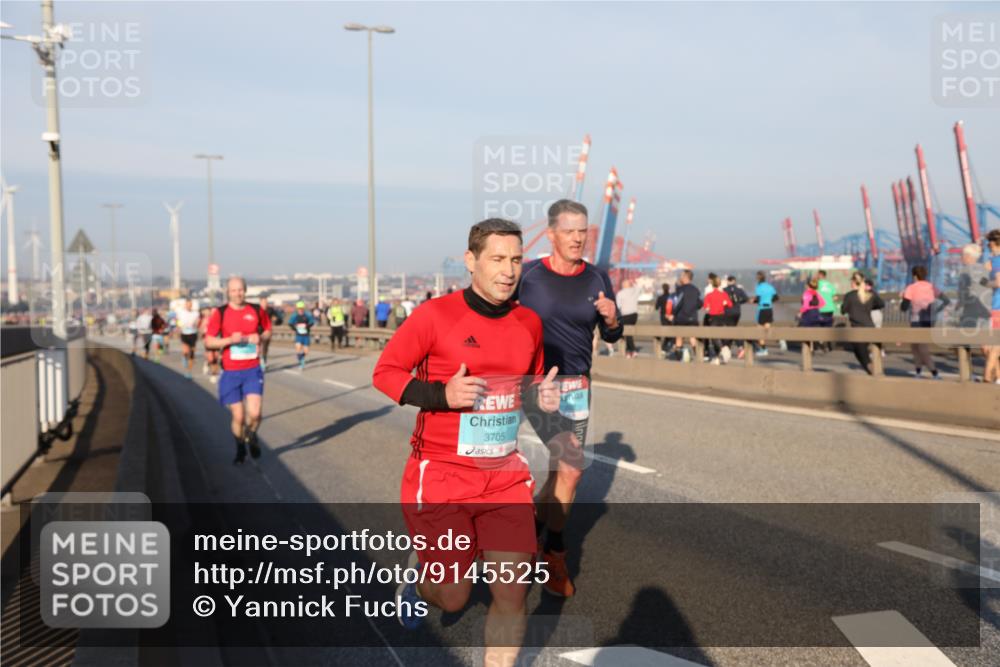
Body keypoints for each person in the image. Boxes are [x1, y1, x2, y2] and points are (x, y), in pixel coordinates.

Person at [372, 219, 560, 665]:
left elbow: (525, 386)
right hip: (440, 475)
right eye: (497, 258)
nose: (508, 270)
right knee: (454, 596)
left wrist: (542, 398)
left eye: (516, 260)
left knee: (514, 593)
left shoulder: (529, 322)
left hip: (504, 477)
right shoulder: (435, 316)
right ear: (471, 261)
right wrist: (442, 395)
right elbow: (385, 373)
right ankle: (420, 584)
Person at [514, 199, 622, 598]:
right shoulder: (527, 276)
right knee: (574, 465)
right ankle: (555, 551)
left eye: (584, 231)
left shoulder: (597, 277)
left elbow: (612, 335)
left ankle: (533, 540)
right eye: (570, 231)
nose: (578, 238)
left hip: (577, 387)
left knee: (563, 473)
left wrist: (612, 319)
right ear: (552, 233)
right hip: (532, 384)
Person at [205, 276, 273, 463]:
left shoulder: (256, 310)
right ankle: (240, 446)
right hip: (231, 372)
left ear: (245, 290)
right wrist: (229, 340)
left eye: (240, 289)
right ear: (228, 292)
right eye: (234, 290)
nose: (238, 293)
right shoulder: (220, 313)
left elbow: (267, 330)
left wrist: (260, 337)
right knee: (238, 415)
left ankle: (250, 435)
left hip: (252, 369)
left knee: (256, 413)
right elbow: (209, 341)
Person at [900, 265, 944, 379]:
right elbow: (946, 300)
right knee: (915, 346)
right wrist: (937, 310)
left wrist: (903, 297)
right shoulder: (931, 286)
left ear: (914, 276)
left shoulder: (911, 288)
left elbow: (903, 307)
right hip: (929, 319)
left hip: (917, 320)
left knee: (921, 347)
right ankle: (918, 372)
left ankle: (935, 373)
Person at [840, 272, 884, 374]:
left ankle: (872, 371)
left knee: (861, 353)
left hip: (858, 329)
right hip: (870, 327)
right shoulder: (870, 294)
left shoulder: (849, 296)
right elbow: (881, 304)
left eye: (851, 281)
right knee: (874, 351)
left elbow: (843, 310)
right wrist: (869, 306)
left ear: (854, 282)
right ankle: (876, 371)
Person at [668, 270, 702, 362]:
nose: (680, 278)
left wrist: (672, 314)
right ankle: (698, 356)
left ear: (685, 277)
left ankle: (679, 357)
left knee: (679, 337)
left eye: (682, 276)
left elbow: (678, 303)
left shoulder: (681, 289)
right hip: (693, 318)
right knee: (693, 338)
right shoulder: (695, 289)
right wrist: (693, 308)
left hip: (681, 317)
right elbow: (700, 303)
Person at [702, 275, 733, 363]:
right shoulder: (724, 294)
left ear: (712, 284)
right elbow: (730, 305)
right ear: (719, 284)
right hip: (722, 317)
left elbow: (705, 307)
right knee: (721, 336)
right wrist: (725, 303)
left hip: (713, 317)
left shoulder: (709, 295)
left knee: (714, 337)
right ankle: (718, 356)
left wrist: (709, 307)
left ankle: (722, 350)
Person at [984, 229, 1000, 384]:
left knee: (993, 344)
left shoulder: (996, 261)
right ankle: (998, 376)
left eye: (989, 242)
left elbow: (998, 282)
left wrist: (985, 283)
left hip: (997, 307)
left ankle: (987, 376)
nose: (988, 245)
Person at [753, 271, 778, 355]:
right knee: (767, 329)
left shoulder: (759, 287)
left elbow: (758, 299)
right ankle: (779, 340)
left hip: (762, 309)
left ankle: (763, 349)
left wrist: (753, 300)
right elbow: (776, 298)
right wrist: (769, 300)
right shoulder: (770, 287)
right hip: (769, 309)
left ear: (758, 278)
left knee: (759, 330)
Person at [723, 275, 748, 357]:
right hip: (737, 312)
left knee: (730, 329)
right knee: (732, 328)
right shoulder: (739, 290)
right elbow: (746, 298)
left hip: (727, 312)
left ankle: (740, 346)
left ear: (727, 281)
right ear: (734, 281)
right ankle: (729, 348)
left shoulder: (724, 290)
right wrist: (738, 303)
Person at [177, 299, 201, 380]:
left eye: (190, 304)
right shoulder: (181, 313)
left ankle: (189, 371)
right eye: (187, 304)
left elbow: (198, 322)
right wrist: (179, 326)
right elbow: (178, 321)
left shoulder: (196, 313)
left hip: (193, 333)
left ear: (191, 305)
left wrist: (197, 325)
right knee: (186, 351)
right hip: (184, 333)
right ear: (185, 305)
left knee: (192, 353)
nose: (188, 305)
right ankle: (184, 358)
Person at [288, 300, 316, 371]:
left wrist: (308, 326)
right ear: (297, 309)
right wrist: (294, 328)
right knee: (298, 348)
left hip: (306, 335)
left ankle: (302, 358)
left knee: (306, 351)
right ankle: (301, 362)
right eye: (299, 308)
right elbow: (290, 323)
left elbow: (312, 322)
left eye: (301, 308)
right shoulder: (295, 315)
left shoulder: (307, 315)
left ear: (303, 308)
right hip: (298, 335)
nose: (300, 310)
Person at [616, 279, 640, 358]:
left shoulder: (620, 293)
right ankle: (628, 351)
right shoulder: (635, 291)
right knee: (628, 333)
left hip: (625, 315)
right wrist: (633, 283)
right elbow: (639, 288)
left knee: (627, 333)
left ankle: (633, 350)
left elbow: (618, 306)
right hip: (634, 315)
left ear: (623, 286)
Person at [654, 283, 674, 357]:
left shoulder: (660, 297)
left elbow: (656, 307)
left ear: (663, 289)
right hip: (671, 315)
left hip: (663, 316)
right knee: (672, 331)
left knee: (666, 331)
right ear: (669, 288)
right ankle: (669, 346)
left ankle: (664, 347)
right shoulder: (671, 296)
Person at [258, 296, 274, 371]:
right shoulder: (256, 310)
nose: (265, 303)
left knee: (265, 348)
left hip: (267, 332)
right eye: (264, 302)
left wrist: (276, 319)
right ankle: (258, 362)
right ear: (260, 302)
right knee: (258, 348)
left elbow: (278, 318)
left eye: (266, 302)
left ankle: (264, 361)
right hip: (257, 331)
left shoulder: (270, 310)